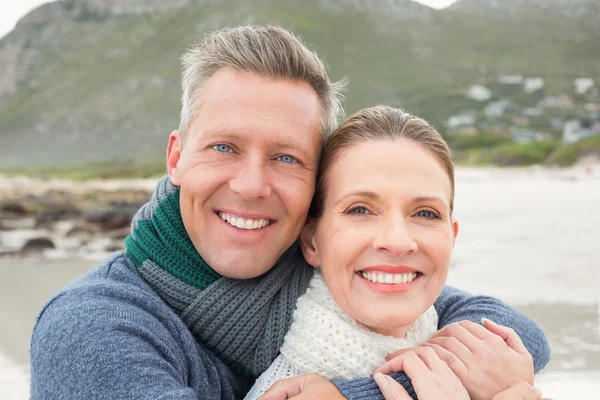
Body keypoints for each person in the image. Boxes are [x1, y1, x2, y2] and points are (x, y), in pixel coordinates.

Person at [30, 26, 550, 400]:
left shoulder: (314, 275)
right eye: (224, 148)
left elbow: (511, 334)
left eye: (286, 158)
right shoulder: (91, 326)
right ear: (176, 157)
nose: (252, 185)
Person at [250, 106, 543, 400]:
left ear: (451, 238)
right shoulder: (282, 391)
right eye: (360, 209)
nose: (397, 241)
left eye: (426, 214)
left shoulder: (485, 368)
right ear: (312, 241)